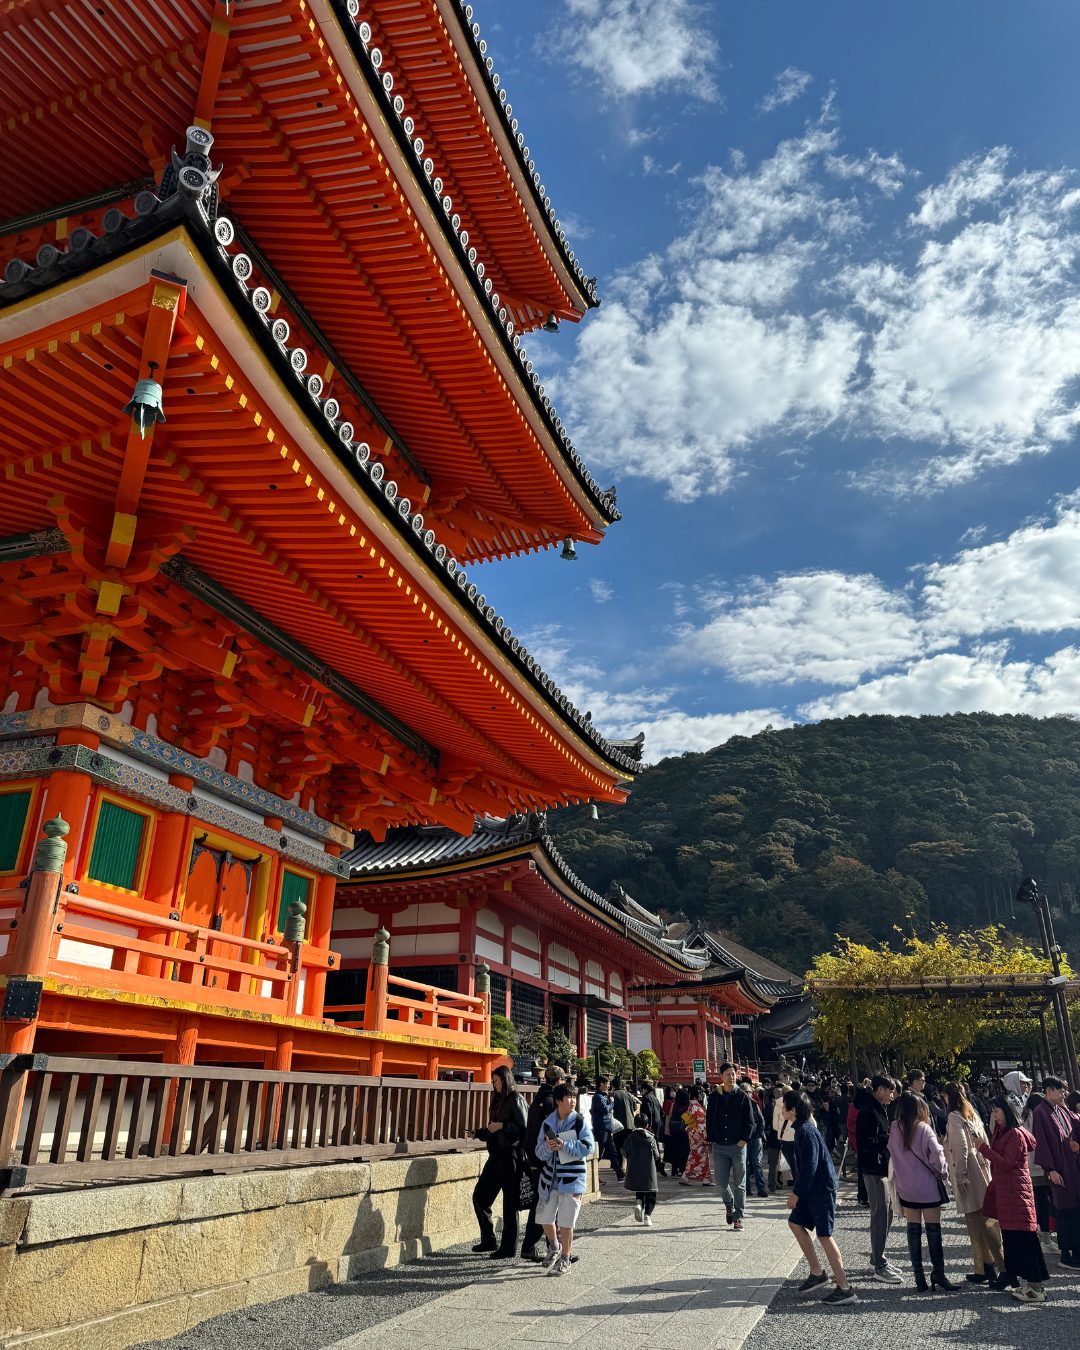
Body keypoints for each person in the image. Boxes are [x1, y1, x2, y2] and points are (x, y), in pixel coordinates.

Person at [974, 1095, 1051, 1302]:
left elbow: (1006, 1163)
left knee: (1026, 1242)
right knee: (1014, 1241)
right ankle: (1027, 1285)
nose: (994, 1115)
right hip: (1009, 1195)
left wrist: (983, 1148)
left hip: (1017, 1196)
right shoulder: (1004, 1132)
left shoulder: (1015, 1134)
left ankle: (1036, 1287)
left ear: (1006, 1111)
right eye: (992, 1111)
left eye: (997, 1111)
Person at [783, 1089, 856, 1305]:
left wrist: (796, 1193)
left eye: (783, 1106)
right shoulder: (802, 1129)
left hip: (821, 1189)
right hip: (813, 1188)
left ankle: (844, 1287)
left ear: (792, 1110)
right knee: (795, 1223)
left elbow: (810, 1167)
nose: (781, 1110)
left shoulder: (805, 1131)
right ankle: (817, 1272)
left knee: (825, 1235)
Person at [888, 1090, 957, 1292]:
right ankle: (938, 1273)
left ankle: (919, 1277)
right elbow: (937, 1156)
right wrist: (943, 1173)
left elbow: (892, 1152)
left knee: (913, 1230)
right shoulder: (924, 1129)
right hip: (927, 1187)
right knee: (934, 1231)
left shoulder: (895, 1128)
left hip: (906, 1187)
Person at [943, 1081, 1003, 1284]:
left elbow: (960, 1147)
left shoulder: (954, 1116)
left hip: (969, 1173)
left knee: (979, 1223)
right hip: (982, 1170)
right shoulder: (972, 1112)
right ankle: (985, 1266)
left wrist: (959, 1175)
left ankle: (997, 1266)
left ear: (947, 1097)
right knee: (986, 1221)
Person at [535, 1082, 595, 1276]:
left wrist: (564, 1146)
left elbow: (588, 1147)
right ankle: (554, 1246)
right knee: (544, 1218)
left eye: (574, 1097)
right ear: (558, 1101)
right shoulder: (547, 1123)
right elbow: (538, 1151)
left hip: (571, 1179)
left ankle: (566, 1258)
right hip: (549, 1178)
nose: (572, 1101)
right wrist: (548, 1148)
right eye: (568, 1097)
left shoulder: (579, 1121)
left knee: (566, 1222)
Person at [471, 1064, 528, 1258]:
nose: (493, 1084)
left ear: (504, 1080)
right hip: (496, 1155)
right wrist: (480, 1133)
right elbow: (494, 1129)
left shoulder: (516, 1099)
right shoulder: (497, 1100)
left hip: (511, 1157)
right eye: (493, 1081)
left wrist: (503, 1125)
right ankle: (489, 1239)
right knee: (480, 1196)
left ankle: (508, 1247)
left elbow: (524, 1128)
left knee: (510, 1203)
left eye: (496, 1080)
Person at [855, 1075, 902, 1284]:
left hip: (881, 1167)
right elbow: (866, 1142)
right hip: (873, 1167)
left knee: (887, 1212)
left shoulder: (878, 1108)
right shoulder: (868, 1111)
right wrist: (889, 1139)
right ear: (880, 1089)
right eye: (890, 1091)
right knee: (880, 1214)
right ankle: (879, 1264)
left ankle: (878, 1256)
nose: (892, 1096)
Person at [1032, 1075, 1080, 1268]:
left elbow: (1075, 1124)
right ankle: (1067, 1255)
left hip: (1072, 1166)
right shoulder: (1040, 1112)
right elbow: (1042, 1143)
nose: (1064, 1094)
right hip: (1059, 1169)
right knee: (1065, 1211)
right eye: (1060, 1091)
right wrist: (1050, 1169)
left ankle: (1076, 1252)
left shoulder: (1061, 1110)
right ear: (1049, 1091)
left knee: (1074, 1210)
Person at [520, 1064, 564, 1260]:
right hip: (547, 1158)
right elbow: (549, 1130)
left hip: (534, 1156)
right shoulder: (550, 1101)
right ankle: (532, 1246)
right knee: (546, 1204)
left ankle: (553, 1247)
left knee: (545, 1203)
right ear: (559, 1080)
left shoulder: (537, 1099)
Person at [706, 1062, 750, 1227]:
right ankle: (729, 1204)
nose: (731, 1077)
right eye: (727, 1074)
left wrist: (744, 1139)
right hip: (720, 1146)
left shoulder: (743, 1096)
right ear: (721, 1077)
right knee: (721, 1182)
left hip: (738, 1146)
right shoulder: (714, 1097)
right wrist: (712, 1137)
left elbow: (750, 1121)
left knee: (739, 1183)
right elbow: (709, 1119)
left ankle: (738, 1216)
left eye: (733, 1074)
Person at [624, 1110, 661, 1226]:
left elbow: (624, 1151)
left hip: (635, 1168)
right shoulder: (651, 1138)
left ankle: (639, 1203)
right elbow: (656, 1155)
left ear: (635, 1124)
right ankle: (647, 1217)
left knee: (639, 1190)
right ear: (647, 1125)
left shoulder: (630, 1137)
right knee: (651, 1194)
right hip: (649, 1170)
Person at [589, 1075, 624, 1182]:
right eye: (606, 1084)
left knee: (613, 1152)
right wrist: (612, 1103)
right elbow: (605, 1109)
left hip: (607, 1128)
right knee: (599, 1152)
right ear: (600, 1084)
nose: (608, 1086)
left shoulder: (603, 1096)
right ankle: (591, 1174)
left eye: (608, 1084)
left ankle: (620, 1175)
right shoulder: (598, 1097)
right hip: (601, 1128)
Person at [681, 1083, 713, 1187]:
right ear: (698, 1094)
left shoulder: (691, 1105)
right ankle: (686, 1176)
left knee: (698, 1155)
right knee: (697, 1155)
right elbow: (702, 1123)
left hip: (693, 1133)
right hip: (698, 1134)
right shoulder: (696, 1107)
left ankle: (705, 1178)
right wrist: (706, 1136)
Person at [744, 1081, 768, 1199]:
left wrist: (759, 1134)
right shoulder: (738, 1105)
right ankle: (746, 1188)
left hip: (755, 1137)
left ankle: (761, 1188)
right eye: (744, 1092)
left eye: (748, 1092)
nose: (747, 1094)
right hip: (744, 1139)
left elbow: (761, 1120)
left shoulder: (754, 1104)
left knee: (757, 1163)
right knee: (745, 1164)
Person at [611, 1076, 637, 1161]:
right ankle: (629, 1164)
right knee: (628, 1146)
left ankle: (620, 1165)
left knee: (618, 1146)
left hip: (618, 1124)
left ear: (613, 1086)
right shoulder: (629, 1094)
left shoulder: (614, 1094)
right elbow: (635, 1107)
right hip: (630, 1124)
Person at [666, 1086, 691, 1177]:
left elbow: (670, 1115)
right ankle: (682, 1169)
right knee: (684, 1150)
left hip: (674, 1129)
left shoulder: (674, 1104)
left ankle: (674, 1170)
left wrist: (667, 1128)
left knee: (675, 1149)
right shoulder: (688, 1106)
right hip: (684, 1130)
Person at [765, 1084, 785, 1193]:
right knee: (777, 1162)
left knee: (774, 1163)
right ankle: (774, 1183)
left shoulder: (770, 1106)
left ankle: (773, 1183)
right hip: (779, 1137)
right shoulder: (780, 1107)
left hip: (773, 1138)